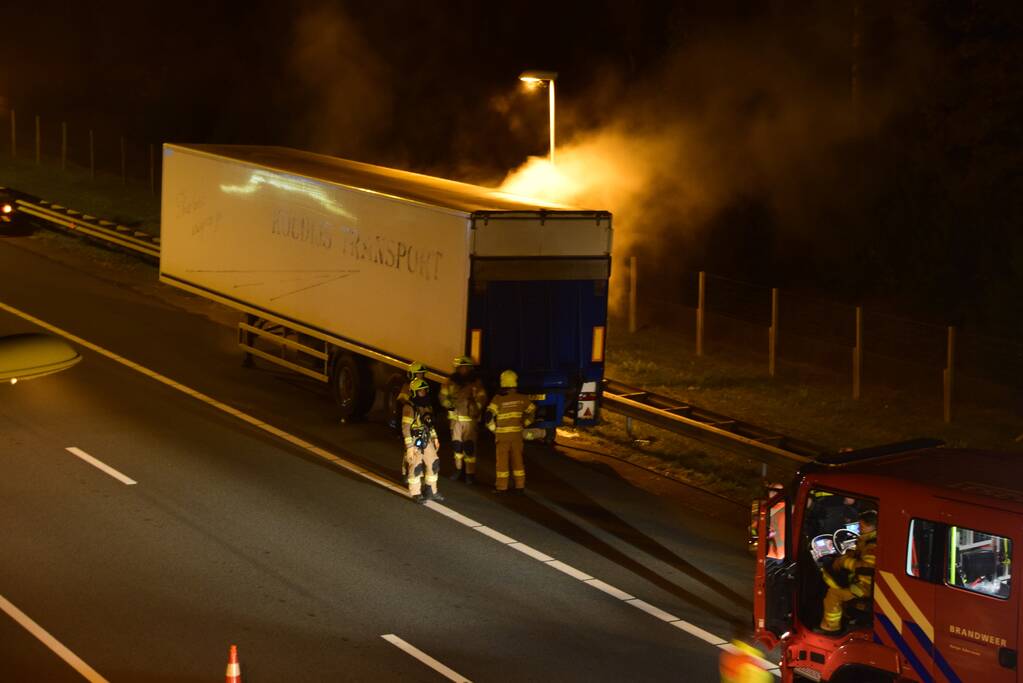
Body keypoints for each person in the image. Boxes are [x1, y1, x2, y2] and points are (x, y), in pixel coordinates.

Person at [819, 509, 877, 633]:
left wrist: (843, 561)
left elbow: (866, 567)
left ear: (871, 526)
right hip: (863, 583)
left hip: (864, 588)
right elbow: (860, 556)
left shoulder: (872, 545)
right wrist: (849, 554)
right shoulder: (868, 540)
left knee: (833, 593)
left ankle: (831, 628)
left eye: (862, 526)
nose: (859, 529)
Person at [485, 369, 535, 494]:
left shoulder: (498, 399)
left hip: (502, 436)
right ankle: (520, 486)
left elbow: (488, 416)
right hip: (517, 435)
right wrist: (525, 423)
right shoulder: (522, 398)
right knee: (518, 460)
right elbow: (532, 411)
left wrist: (494, 429)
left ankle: (502, 487)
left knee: (502, 462)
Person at [439, 356, 487, 484]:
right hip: (455, 421)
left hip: (470, 421)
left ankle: (470, 474)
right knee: (457, 447)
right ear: (458, 368)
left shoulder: (476, 383)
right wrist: (449, 405)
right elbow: (443, 397)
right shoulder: (449, 381)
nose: (464, 370)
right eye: (461, 367)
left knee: (469, 447)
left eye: (466, 367)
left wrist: (475, 408)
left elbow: (482, 399)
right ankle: (459, 470)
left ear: (470, 368)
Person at [401, 378, 443, 504]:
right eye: (420, 391)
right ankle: (416, 492)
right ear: (414, 392)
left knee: (434, 463)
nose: (423, 393)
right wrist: (409, 447)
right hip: (415, 441)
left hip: (427, 439)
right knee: (416, 466)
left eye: (425, 390)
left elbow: (429, 424)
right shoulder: (409, 407)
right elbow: (406, 428)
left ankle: (431, 491)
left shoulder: (427, 405)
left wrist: (435, 437)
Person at [393, 361, 427, 429]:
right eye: (419, 374)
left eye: (422, 373)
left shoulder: (423, 386)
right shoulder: (407, 386)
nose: (421, 375)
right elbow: (401, 401)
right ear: (412, 374)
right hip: (409, 414)